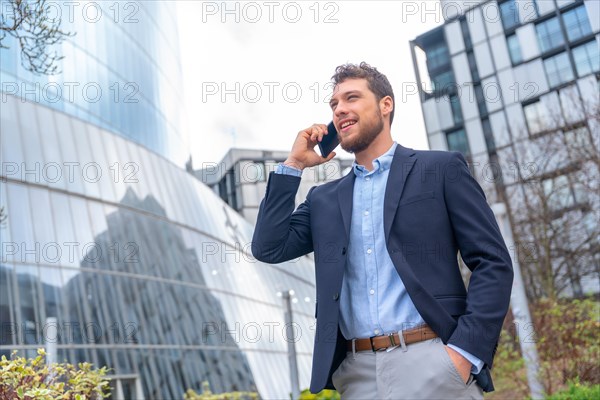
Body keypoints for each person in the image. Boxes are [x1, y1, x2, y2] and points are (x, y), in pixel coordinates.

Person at [251, 62, 513, 399]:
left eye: (351, 98)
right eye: (334, 105)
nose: (339, 110)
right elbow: (268, 247)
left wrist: (463, 355)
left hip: (434, 362)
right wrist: (294, 165)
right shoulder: (324, 200)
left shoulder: (440, 169)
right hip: (357, 376)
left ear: (385, 105)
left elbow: (492, 261)